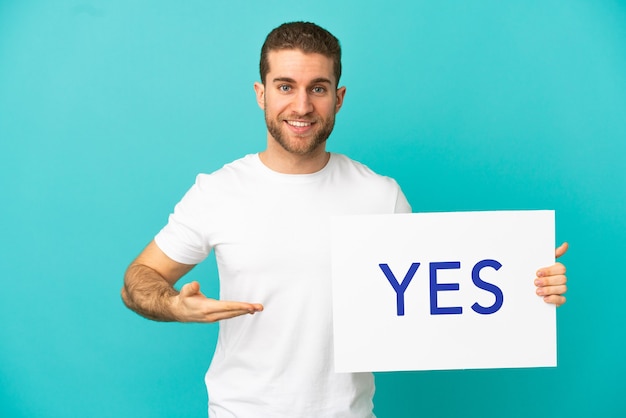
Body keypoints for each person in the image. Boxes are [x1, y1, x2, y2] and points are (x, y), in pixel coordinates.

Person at [121, 21, 568, 418]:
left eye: (317, 88)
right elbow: (138, 280)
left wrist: (522, 280)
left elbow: (435, 295)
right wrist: (175, 306)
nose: (301, 105)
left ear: (338, 97)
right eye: (284, 86)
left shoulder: (380, 194)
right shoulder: (217, 192)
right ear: (260, 94)